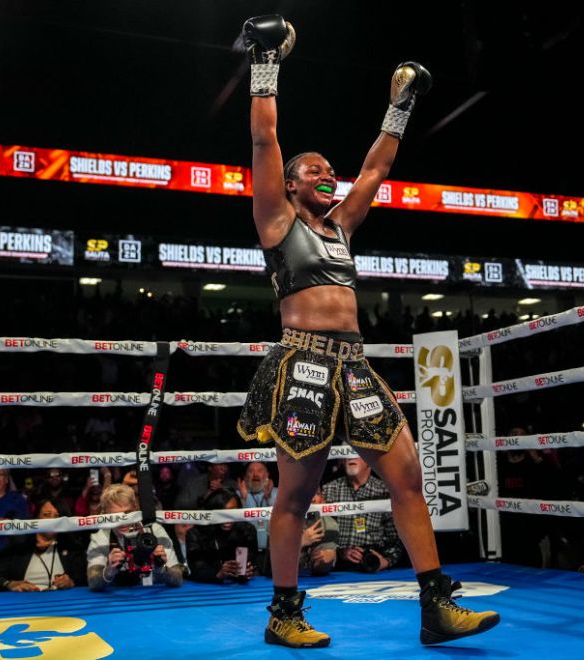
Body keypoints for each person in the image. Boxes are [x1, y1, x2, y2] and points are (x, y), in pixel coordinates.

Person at [235, 14, 498, 648]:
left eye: (331, 170)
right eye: (316, 171)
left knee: (407, 477)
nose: (328, 175)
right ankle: (284, 613)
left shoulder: (341, 229)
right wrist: (265, 64)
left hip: (354, 366)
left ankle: (437, 606)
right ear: (293, 185)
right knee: (295, 498)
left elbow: (376, 171)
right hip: (301, 365)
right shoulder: (276, 221)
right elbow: (266, 143)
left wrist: (398, 105)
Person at [86, 484, 183, 591]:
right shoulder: (101, 538)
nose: (123, 521)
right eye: (115, 516)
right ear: (105, 514)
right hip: (117, 601)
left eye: (127, 513)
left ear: (136, 508)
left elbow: (178, 579)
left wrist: (161, 568)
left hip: (154, 597)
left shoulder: (155, 530)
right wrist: (109, 571)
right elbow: (93, 583)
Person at [0, 498, 86, 592]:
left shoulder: (72, 547)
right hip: (23, 601)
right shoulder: (19, 545)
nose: (51, 521)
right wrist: (10, 584)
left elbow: (82, 579)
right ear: (36, 518)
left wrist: (71, 582)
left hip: (61, 602)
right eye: (47, 515)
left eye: (57, 516)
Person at [323, 458, 403, 573]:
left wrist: (386, 561)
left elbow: (396, 540)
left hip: (374, 567)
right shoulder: (328, 490)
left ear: (368, 459)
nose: (350, 457)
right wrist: (339, 552)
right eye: (346, 453)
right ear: (342, 460)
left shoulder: (384, 491)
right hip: (335, 568)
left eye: (355, 452)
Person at [186, 489, 258, 584]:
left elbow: (253, 563)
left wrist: (247, 571)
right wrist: (218, 573)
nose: (227, 518)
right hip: (205, 588)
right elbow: (195, 568)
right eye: (222, 513)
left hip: (239, 588)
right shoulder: (196, 533)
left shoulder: (247, 530)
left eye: (232, 512)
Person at [299, 489, 338, 576]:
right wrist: (300, 542)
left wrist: (328, 558)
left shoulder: (330, 525)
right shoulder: (284, 522)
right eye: (306, 494)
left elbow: (319, 570)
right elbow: (275, 565)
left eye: (316, 494)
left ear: (322, 500)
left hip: (315, 582)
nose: (312, 499)